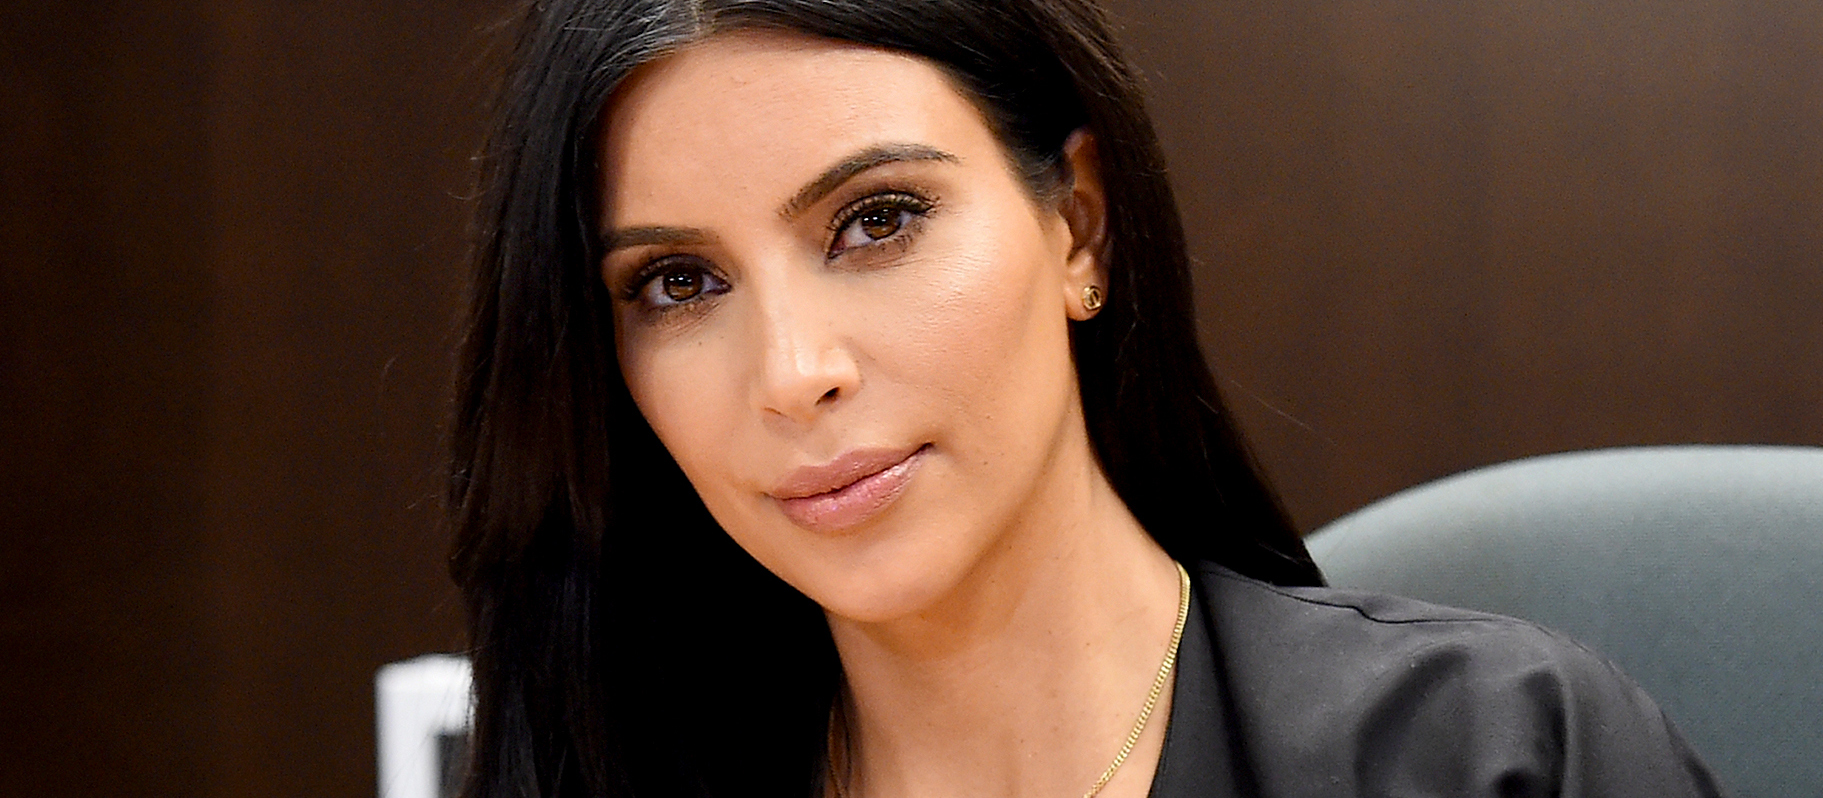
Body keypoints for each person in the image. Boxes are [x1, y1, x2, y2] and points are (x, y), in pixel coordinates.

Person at [446, 1, 1728, 796]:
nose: (791, 372)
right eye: (676, 283)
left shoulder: (1491, 754)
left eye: (876, 220)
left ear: (1079, 225)